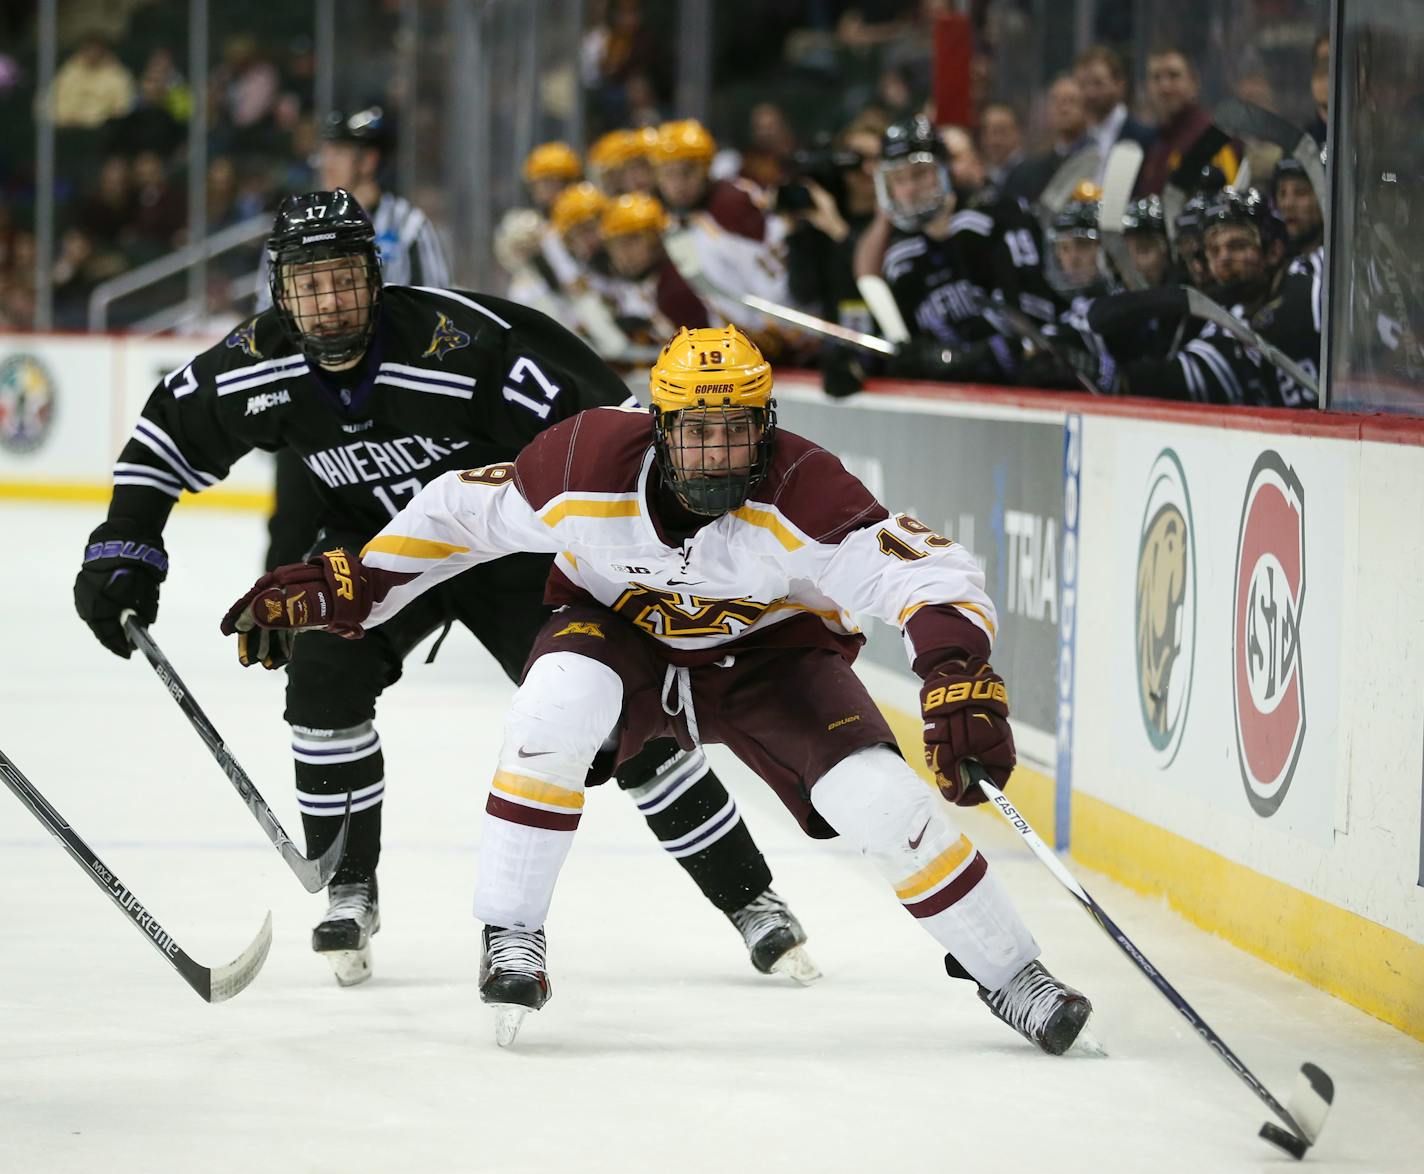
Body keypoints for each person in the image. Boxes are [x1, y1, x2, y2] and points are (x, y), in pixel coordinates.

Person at [221, 323, 1095, 1052]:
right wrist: (357, 585)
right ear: (660, 424)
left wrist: (955, 672)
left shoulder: (803, 486)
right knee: (551, 710)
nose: (719, 455)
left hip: (767, 651)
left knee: (881, 800)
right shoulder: (586, 459)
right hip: (618, 630)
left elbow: (927, 573)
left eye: (738, 430)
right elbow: (457, 511)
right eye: (698, 432)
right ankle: (512, 931)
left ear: (768, 425)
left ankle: (1012, 972)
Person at [73, 190, 818, 990]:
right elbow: (162, 441)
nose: (330, 303)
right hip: (374, 552)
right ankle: (350, 884)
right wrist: (126, 546)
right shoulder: (256, 362)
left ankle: (752, 899)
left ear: (376, 275)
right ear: (280, 291)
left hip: (502, 543)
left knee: (617, 703)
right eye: (310, 284)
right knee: (323, 669)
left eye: (346, 279)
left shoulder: (459, 342)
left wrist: (646, 553)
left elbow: (610, 429)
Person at [263, 107, 452, 570]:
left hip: (389, 409)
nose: (324, 159)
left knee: (394, 533)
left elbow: (439, 318)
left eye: (339, 151)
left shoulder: (408, 226)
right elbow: (267, 316)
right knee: (291, 527)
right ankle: (277, 623)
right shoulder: (294, 230)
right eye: (325, 149)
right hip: (309, 401)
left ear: (368, 160)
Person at [1136, 46, 1238, 197]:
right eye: (1156, 78)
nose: (1165, 87)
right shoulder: (1153, 142)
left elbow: (1225, 205)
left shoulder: (1212, 138)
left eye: (1174, 76)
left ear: (1193, 83)